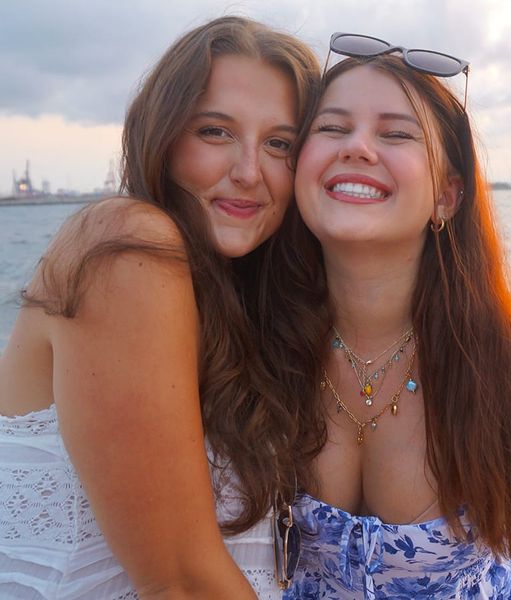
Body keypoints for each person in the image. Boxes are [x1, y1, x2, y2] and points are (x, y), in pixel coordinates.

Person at [275, 34, 511, 599]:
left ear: (447, 197)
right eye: (333, 128)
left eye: (396, 134)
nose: (358, 148)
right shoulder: (258, 339)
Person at [0, 16, 319, 599]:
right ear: (162, 135)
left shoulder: (243, 305)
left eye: (279, 144)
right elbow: (181, 580)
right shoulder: (122, 243)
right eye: (215, 132)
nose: (249, 172)